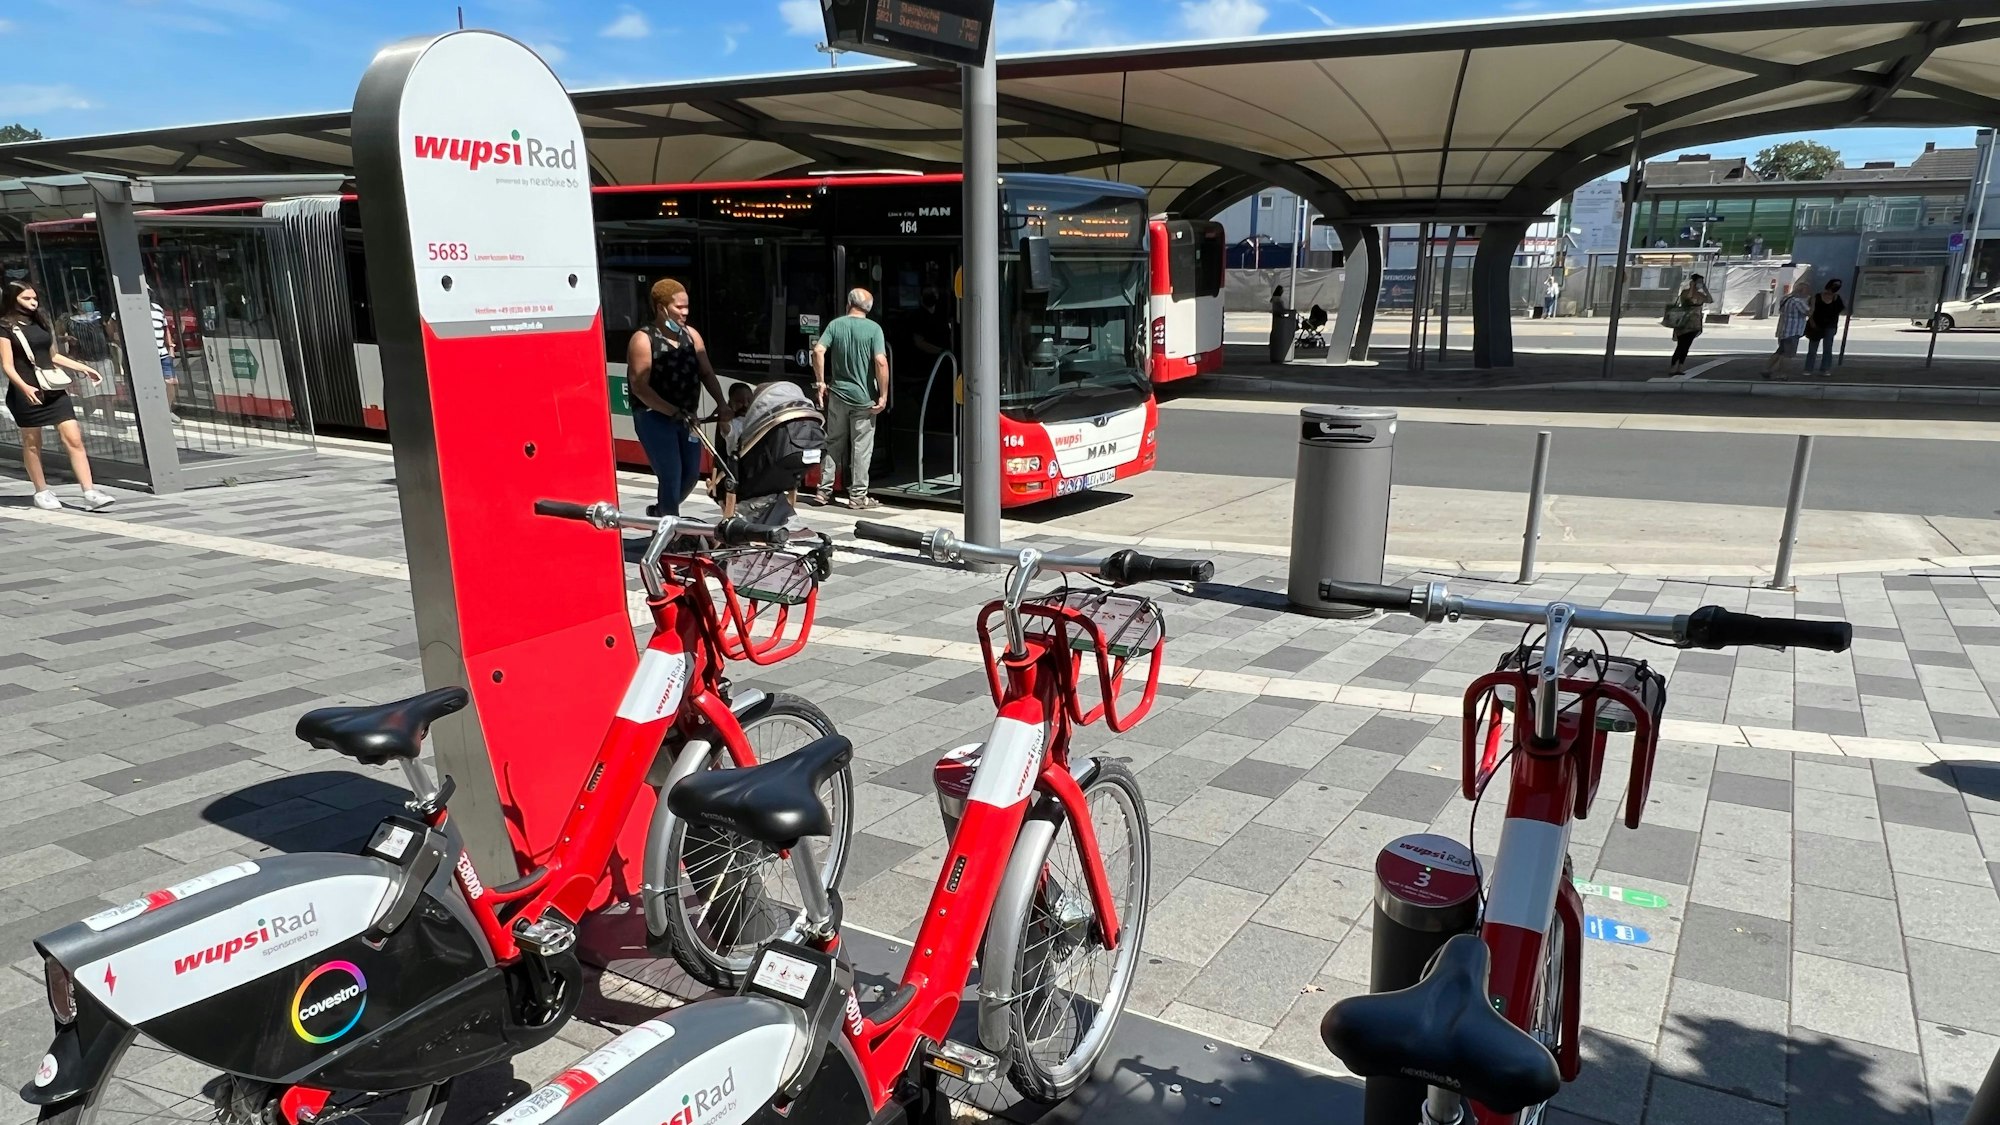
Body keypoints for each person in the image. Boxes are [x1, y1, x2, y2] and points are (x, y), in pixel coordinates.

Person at [1, 282, 115, 511]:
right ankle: (41, 490)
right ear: (14, 300)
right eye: (26, 299)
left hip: (53, 390)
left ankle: (89, 491)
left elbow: (52, 356)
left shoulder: (40, 321)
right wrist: (24, 388)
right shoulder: (5, 327)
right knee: (32, 443)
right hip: (27, 391)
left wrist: (83, 368)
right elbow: (7, 365)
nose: (33, 303)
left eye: (34, 298)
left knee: (74, 438)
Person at [625, 278, 730, 518]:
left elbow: (706, 372)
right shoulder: (643, 339)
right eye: (679, 307)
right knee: (671, 473)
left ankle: (663, 511)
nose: (685, 312)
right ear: (661, 307)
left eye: (687, 307)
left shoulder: (691, 335)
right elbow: (640, 387)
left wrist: (722, 404)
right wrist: (671, 410)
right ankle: (668, 532)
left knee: (691, 474)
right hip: (654, 417)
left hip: (688, 418)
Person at [812, 288, 888, 510]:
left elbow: (818, 351)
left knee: (833, 442)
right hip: (865, 400)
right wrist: (883, 396)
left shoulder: (836, 325)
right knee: (861, 448)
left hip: (838, 396)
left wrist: (821, 384)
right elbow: (881, 362)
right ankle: (857, 497)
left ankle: (823, 491)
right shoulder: (874, 329)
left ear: (848, 304)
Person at [711, 381, 754, 516]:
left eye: (749, 401)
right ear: (731, 403)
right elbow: (726, 428)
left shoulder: (757, 421)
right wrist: (722, 415)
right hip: (739, 472)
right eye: (740, 401)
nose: (745, 405)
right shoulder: (733, 425)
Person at [1764, 279, 1812, 380]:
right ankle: (1782, 374)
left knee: (1780, 352)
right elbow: (1809, 313)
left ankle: (1767, 369)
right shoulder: (1797, 302)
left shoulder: (1785, 299)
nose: (1808, 293)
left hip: (1784, 329)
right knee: (1788, 355)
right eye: (1806, 290)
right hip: (1793, 331)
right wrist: (1813, 304)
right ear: (1802, 291)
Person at [1664, 273, 1711, 375]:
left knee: (1686, 346)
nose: (1700, 284)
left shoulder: (1701, 294)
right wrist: (1692, 287)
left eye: (1701, 282)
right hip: (1684, 322)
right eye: (1698, 282)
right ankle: (1673, 367)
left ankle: (1680, 367)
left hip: (1695, 323)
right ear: (1693, 282)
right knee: (1680, 345)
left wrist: (1705, 289)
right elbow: (1688, 298)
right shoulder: (1685, 292)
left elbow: (1710, 300)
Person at [1803, 278, 1845, 376]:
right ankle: (1808, 368)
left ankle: (1825, 368)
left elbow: (1841, 310)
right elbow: (1811, 311)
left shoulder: (1837, 298)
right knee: (1813, 349)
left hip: (1830, 325)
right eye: (1834, 285)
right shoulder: (1816, 297)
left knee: (1827, 348)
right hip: (1817, 324)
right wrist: (1812, 322)